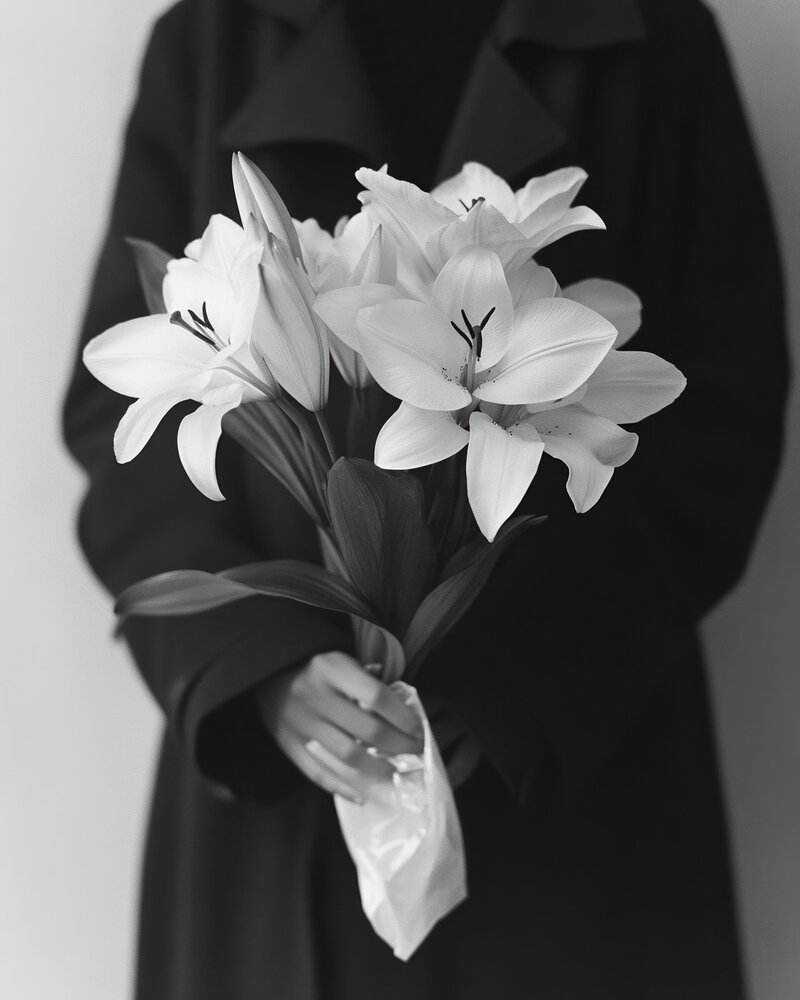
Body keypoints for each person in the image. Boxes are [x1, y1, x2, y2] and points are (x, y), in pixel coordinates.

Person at [62, 0, 789, 997]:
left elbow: (720, 419)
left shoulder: (654, 36)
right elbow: (116, 427)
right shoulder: (212, 32)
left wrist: (510, 680)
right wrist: (254, 667)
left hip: (573, 778)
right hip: (288, 792)